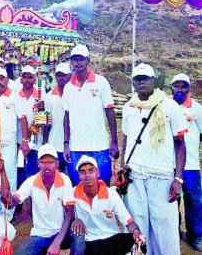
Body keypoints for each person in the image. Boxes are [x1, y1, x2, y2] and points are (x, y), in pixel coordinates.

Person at [122, 63, 187, 255]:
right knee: (138, 224)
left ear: (154, 81)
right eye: (137, 79)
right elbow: (126, 138)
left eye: (145, 78)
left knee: (164, 226)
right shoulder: (128, 107)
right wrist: (122, 167)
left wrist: (178, 178)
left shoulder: (170, 106)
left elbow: (180, 144)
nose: (141, 82)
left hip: (162, 176)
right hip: (135, 176)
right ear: (133, 82)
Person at [2, 144, 83, 255]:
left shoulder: (65, 181)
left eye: (51, 162)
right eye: (43, 162)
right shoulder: (31, 182)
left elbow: (69, 214)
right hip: (40, 234)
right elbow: (11, 203)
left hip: (62, 233)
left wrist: (56, 243)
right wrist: (5, 196)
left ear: (57, 164)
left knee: (79, 238)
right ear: (38, 164)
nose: (47, 166)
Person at [63, 44, 118, 186]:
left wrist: (114, 141)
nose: (78, 62)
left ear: (88, 61)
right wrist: (66, 144)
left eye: (81, 59)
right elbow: (66, 117)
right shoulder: (68, 87)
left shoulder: (101, 82)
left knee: (102, 184)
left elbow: (110, 112)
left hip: (99, 146)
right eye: (75, 59)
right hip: (76, 147)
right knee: (78, 185)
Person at [72, 155, 145, 255]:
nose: (87, 175)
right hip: (90, 241)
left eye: (91, 170)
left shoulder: (111, 194)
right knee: (77, 243)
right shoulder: (72, 194)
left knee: (140, 242)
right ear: (79, 175)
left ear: (98, 173)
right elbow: (65, 217)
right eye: (83, 172)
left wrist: (136, 230)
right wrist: (74, 220)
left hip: (111, 238)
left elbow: (129, 223)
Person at [0, 67, 29, 216]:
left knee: (8, 176)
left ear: (7, 80)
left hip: (7, 144)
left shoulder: (14, 97)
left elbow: (23, 119)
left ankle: (8, 213)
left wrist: (24, 140)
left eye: (1, 79)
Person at [171, 73, 202, 251]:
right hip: (170, 165)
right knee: (171, 200)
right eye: (177, 86)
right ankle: (173, 232)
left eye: (184, 86)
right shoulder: (165, 107)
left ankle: (196, 235)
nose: (180, 89)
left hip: (190, 165)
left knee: (193, 201)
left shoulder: (197, 109)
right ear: (171, 88)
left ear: (189, 89)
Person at [44, 63, 71, 169]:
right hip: (54, 142)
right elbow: (47, 123)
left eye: (64, 75)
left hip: (71, 144)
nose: (61, 78)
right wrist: (46, 142)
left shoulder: (74, 95)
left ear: (69, 76)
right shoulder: (49, 96)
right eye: (59, 75)